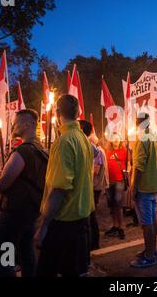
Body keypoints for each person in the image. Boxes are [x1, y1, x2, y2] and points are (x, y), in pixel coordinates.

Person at [36, 95, 94, 277]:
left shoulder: (64, 141)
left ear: (58, 113)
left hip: (64, 221)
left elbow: (59, 188)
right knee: (74, 271)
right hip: (82, 217)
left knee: (47, 271)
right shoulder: (84, 139)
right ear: (78, 113)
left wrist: (43, 225)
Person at [0, 109, 47, 277]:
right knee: (26, 252)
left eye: (15, 122)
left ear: (27, 124)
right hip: (31, 210)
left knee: (1, 259)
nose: (12, 126)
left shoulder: (24, 150)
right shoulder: (41, 148)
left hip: (15, 213)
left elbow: (4, 182)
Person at [129, 113, 157, 268]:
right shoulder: (155, 137)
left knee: (146, 222)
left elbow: (139, 165)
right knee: (152, 219)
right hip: (155, 185)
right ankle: (152, 250)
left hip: (144, 186)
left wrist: (134, 187)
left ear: (137, 123)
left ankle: (149, 256)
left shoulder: (142, 138)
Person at [79, 119, 109, 250]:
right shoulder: (97, 150)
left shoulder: (96, 151)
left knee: (91, 215)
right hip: (93, 186)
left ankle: (93, 242)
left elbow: (94, 171)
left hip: (94, 186)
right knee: (91, 215)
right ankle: (92, 242)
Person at [105, 133, 128, 239]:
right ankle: (115, 225)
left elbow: (129, 164)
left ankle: (121, 227)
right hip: (109, 182)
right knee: (112, 205)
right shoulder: (107, 151)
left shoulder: (124, 151)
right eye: (113, 138)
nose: (115, 140)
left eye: (117, 138)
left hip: (119, 181)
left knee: (118, 204)